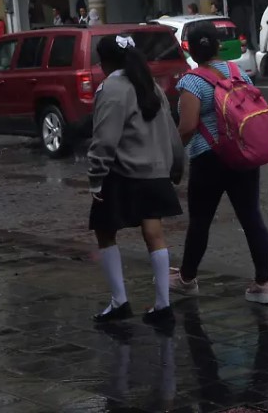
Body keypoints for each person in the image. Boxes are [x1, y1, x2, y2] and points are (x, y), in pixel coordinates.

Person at [169, 24, 268, 304]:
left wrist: (171, 153)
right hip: (243, 155)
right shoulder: (238, 72)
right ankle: (265, 283)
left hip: (209, 160)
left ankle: (187, 279)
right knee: (251, 217)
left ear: (190, 50)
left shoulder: (192, 82)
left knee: (200, 221)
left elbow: (188, 126)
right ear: (218, 46)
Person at [87, 34, 186, 326]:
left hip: (123, 174)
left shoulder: (111, 88)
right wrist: (176, 166)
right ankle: (163, 305)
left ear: (105, 62)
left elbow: (105, 138)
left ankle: (119, 301)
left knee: (105, 231)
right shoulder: (150, 86)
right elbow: (171, 131)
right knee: (154, 233)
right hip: (156, 172)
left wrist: (95, 177)